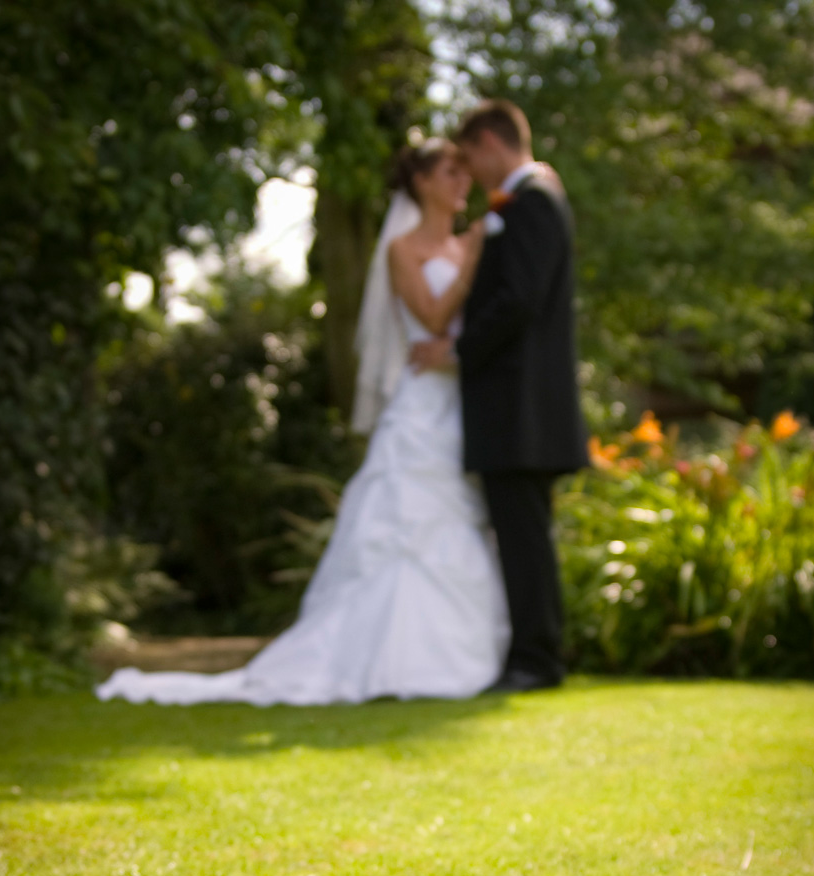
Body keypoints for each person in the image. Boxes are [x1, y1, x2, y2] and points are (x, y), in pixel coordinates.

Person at [96, 139, 509, 707]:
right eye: (451, 171)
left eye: (466, 172)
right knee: (404, 526)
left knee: (457, 525)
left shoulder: (471, 243)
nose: (463, 182)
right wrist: (473, 265)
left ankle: (467, 653)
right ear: (421, 183)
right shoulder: (403, 248)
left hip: (462, 404)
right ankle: (386, 660)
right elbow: (432, 317)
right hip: (419, 409)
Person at [410, 100, 589, 692]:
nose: (473, 174)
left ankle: (536, 660)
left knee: (524, 538)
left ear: (490, 142)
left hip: (522, 409)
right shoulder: (529, 200)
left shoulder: (533, 201)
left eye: (471, 159)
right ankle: (533, 653)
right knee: (521, 536)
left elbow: (517, 301)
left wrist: (458, 350)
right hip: (519, 410)